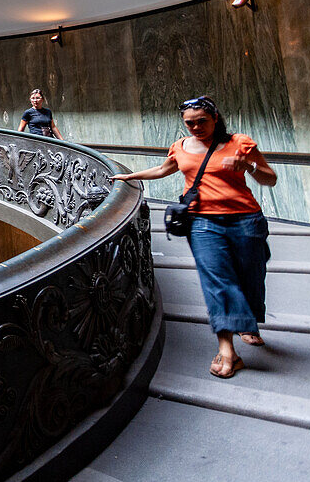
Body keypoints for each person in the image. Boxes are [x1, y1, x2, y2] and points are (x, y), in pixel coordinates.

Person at [110, 96, 277, 379]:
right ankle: (227, 350)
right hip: (202, 223)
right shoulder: (180, 147)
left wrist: (247, 167)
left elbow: (269, 177)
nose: (196, 127)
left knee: (251, 275)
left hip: (246, 220)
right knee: (217, 280)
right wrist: (130, 176)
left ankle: (247, 322)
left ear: (215, 118)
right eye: (189, 123)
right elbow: (164, 169)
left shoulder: (239, 143)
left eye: (202, 121)